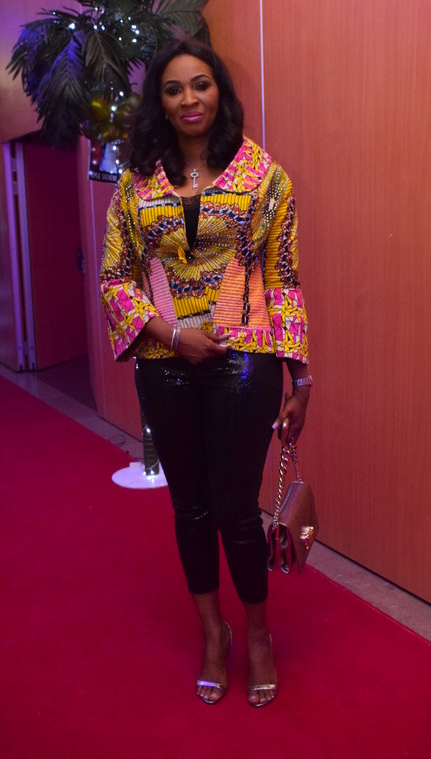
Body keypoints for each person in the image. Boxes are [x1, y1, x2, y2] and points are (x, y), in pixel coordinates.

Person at [100, 36, 311, 708]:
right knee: (188, 507)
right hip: (164, 364)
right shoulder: (136, 184)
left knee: (236, 510)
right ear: (159, 103)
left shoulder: (265, 177)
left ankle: (258, 634)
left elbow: (283, 279)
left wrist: (301, 378)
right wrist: (169, 335)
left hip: (245, 361)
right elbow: (114, 278)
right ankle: (212, 633)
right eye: (173, 89)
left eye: (200, 84)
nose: (189, 98)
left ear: (219, 92)